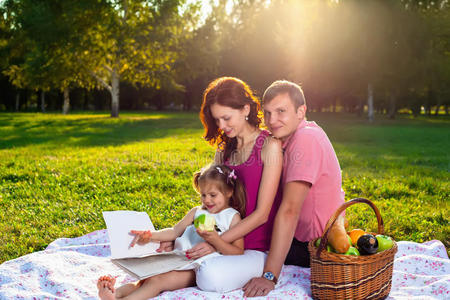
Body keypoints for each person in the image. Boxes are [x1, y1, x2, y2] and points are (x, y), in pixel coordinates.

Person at [156, 77, 283, 293]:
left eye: (226, 118)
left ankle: (185, 270)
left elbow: (262, 214)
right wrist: (181, 237)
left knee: (210, 276)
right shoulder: (223, 151)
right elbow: (210, 203)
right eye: (217, 120)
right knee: (158, 254)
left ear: (245, 108)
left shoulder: (269, 146)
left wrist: (215, 243)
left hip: (252, 249)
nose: (221, 126)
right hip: (218, 241)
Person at [242, 80, 345, 297]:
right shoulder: (291, 137)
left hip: (313, 247)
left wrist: (270, 275)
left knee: (238, 251)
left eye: (281, 111)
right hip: (301, 239)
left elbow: (290, 211)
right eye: (267, 113)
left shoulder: (306, 139)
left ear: (301, 111)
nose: (272, 120)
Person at [97, 164, 247, 300]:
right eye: (203, 195)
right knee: (146, 279)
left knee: (158, 281)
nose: (207, 200)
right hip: (176, 259)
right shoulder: (197, 211)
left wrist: (215, 240)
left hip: (197, 268)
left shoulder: (232, 217)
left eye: (213, 195)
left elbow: (238, 251)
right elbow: (175, 231)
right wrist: (150, 236)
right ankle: (115, 293)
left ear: (228, 192)